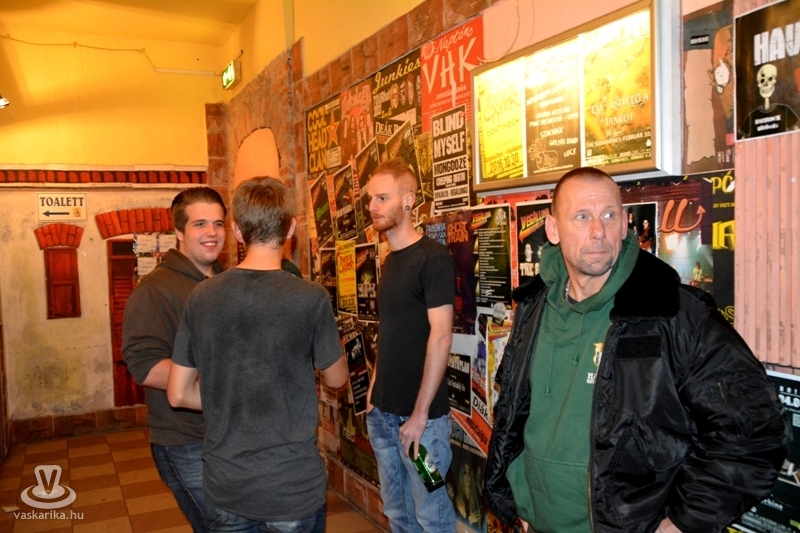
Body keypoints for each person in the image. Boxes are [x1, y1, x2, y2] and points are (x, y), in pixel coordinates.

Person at [484, 167, 791, 533]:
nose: (598, 231)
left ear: (625, 224)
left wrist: (682, 522)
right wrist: (512, 498)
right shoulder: (533, 307)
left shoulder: (670, 311)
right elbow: (514, 412)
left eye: (609, 215)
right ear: (553, 229)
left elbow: (755, 430)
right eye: (581, 217)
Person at [167, 177, 348, 533]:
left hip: (226, 483)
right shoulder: (310, 298)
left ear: (236, 231)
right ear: (291, 228)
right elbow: (337, 378)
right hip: (290, 484)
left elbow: (177, 393)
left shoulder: (201, 297)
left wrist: (230, 397)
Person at [122, 187, 226, 532]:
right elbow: (144, 365)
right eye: (200, 224)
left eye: (218, 223)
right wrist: (220, 385)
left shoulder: (225, 281)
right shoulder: (156, 289)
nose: (211, 232)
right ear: (179, 232)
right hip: (186, 441)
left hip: (225, 434)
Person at [365, 157, 457, 532]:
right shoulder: (390, 262)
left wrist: (419, 416)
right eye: (370, 199)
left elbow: (442, 335)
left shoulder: (433, 259)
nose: (373, 206)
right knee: (398, 514)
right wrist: (374, 392)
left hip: (422, 425)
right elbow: (391, 332)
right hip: (384, 418)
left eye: (382, 198)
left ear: (408, 200)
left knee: (432, 517)